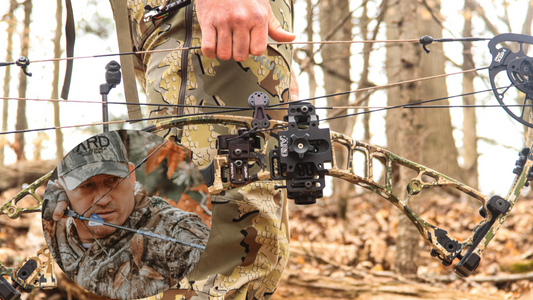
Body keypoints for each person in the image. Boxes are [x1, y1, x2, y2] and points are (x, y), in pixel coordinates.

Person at [107, 0, 299, 299]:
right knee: (213, 251)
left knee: (238, 248)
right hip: (183, 22)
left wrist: (278, 68)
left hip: (200, 24)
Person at [42, 130, 210, 299]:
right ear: (61, 188)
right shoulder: (53, 228)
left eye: (113, 180)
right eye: (86, 185)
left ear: (131, 175)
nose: (103, 199)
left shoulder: (178, 232)